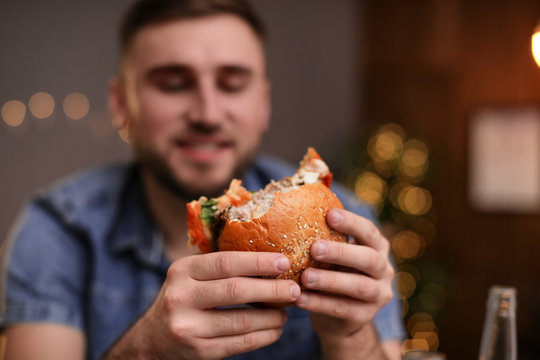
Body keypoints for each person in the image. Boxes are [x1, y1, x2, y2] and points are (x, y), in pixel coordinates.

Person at [0, 0, 405, 359]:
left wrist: (348, 335)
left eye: (232, 83)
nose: (208, 114)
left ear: (262, 104)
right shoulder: (59, 229)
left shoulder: (344, 222)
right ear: (122, 104)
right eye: (174, 84)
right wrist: (148, 351)